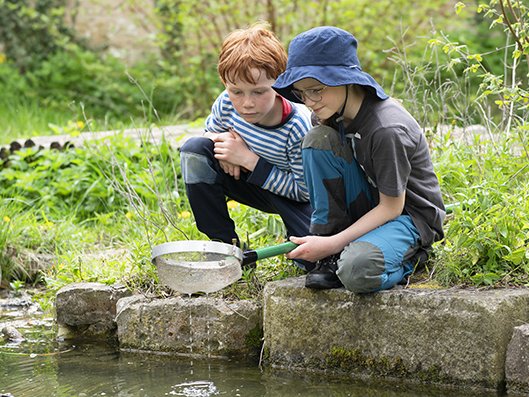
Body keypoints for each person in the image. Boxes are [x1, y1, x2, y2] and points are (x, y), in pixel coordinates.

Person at [272, 26, 446, 292]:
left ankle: (412, 258)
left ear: (346, 79)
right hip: (368, 202)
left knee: (356, 271)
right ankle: (330, 255)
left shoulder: (387, 129)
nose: (309, 101)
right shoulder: (326, 113)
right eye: (301, 93)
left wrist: (335, 244)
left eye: (316, 89)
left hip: (408, 216)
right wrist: (327, 242)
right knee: (317, 139)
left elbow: (392, 207)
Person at [179, 23, 314, 270]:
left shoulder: (299, 124)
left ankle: (295, 243)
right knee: (194, 151)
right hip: (248, 180)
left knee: (312, 259)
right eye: (236, 91)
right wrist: (224, 146)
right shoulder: (226, 104)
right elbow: (210, 132)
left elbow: (303, 191)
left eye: (259, 91)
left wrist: (247, 158)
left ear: (280, 82)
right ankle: (226, 248)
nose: (247, 103)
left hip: (293, 196)